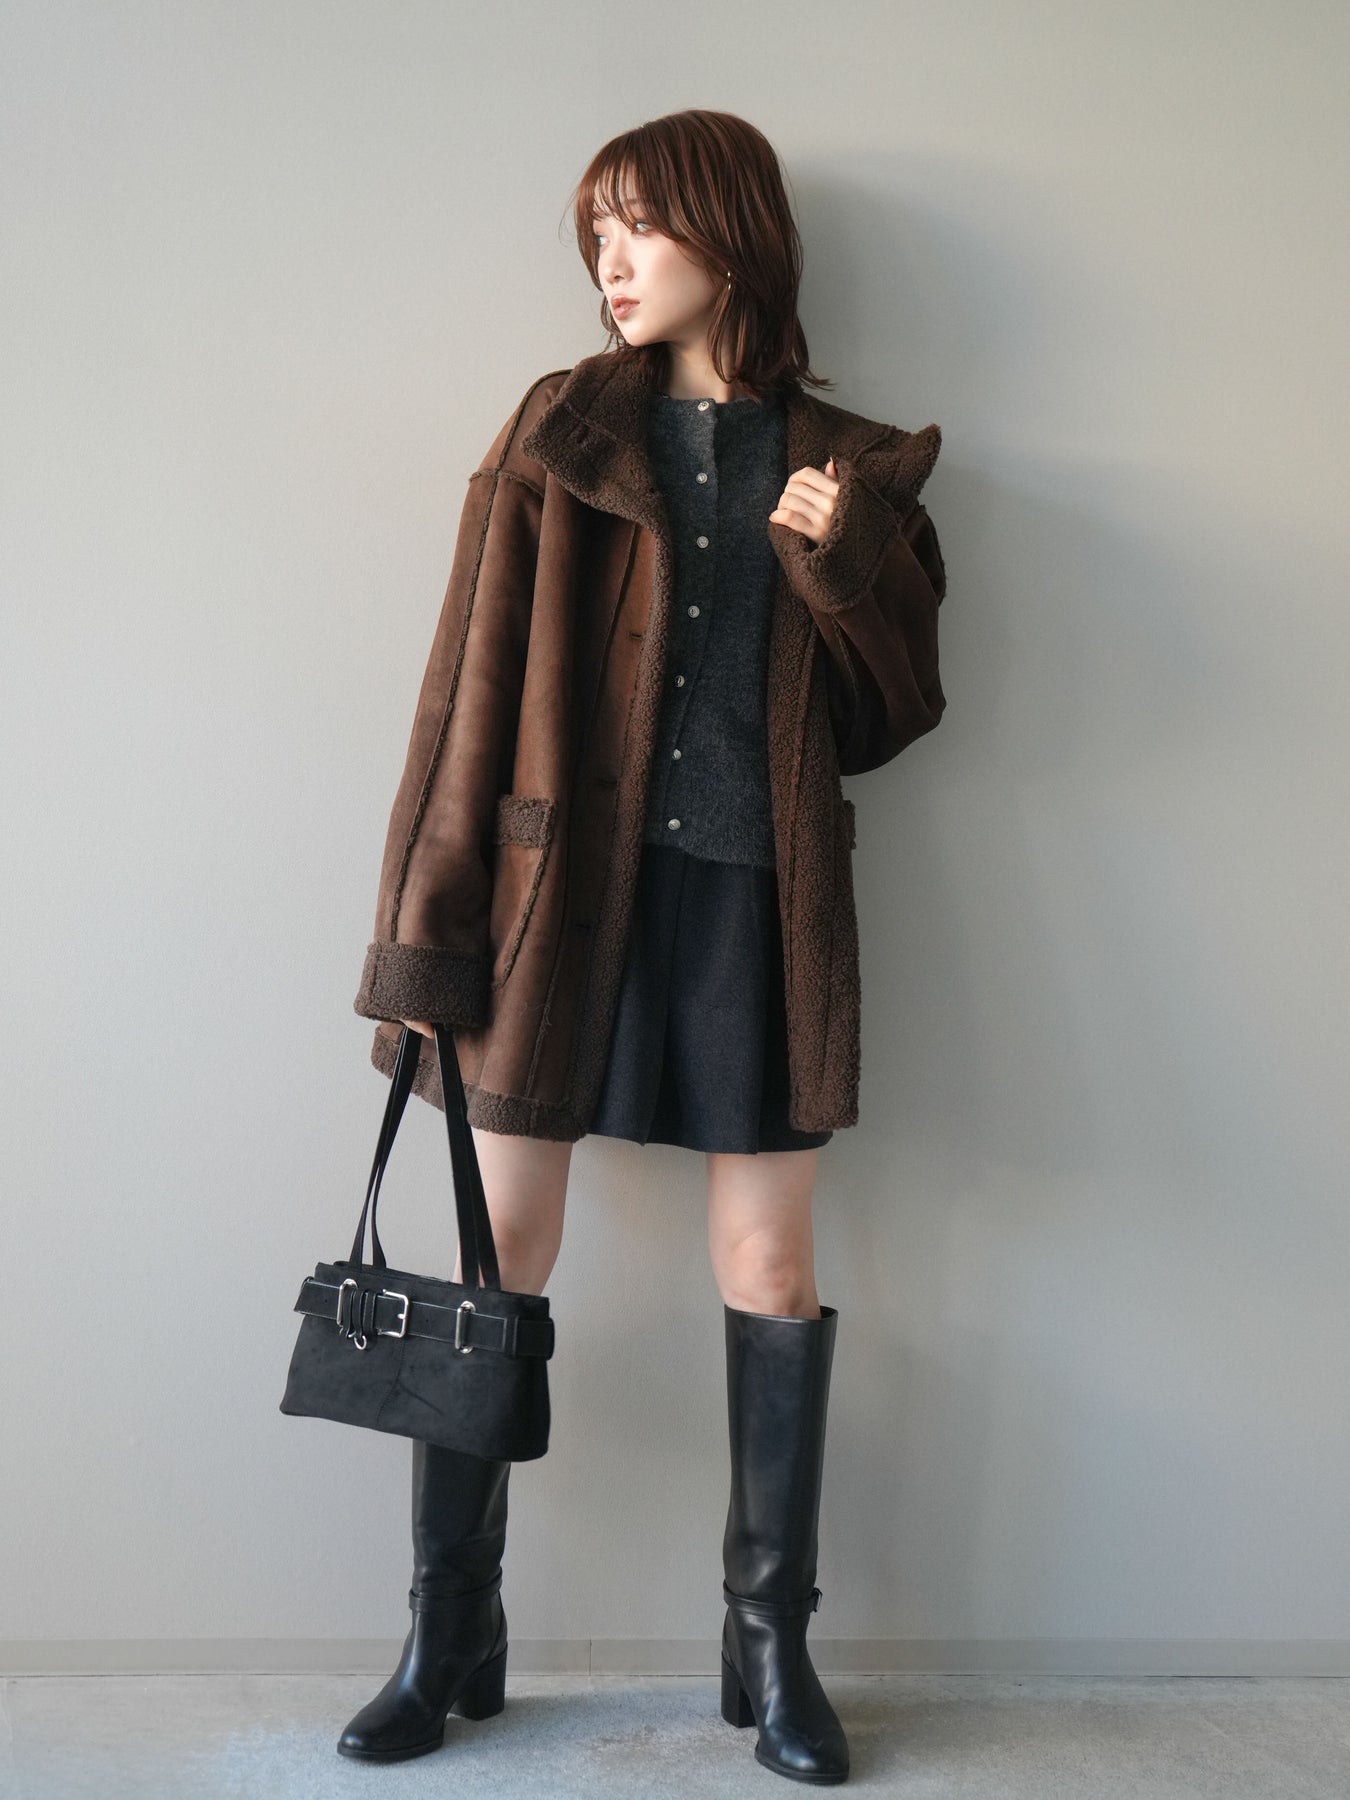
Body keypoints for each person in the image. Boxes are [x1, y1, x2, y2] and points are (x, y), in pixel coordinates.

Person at [337, 108, 949, 1784]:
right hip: (553, 914)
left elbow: (898, 715)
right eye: (594, 235)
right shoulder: (562, 431)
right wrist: (425, 947)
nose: (611, 262)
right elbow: (464, 701)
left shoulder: (851, 463)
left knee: (769, 1272)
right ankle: (448, 1629)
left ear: (730, 232)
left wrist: (838, 561)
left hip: (753, 906)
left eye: (640, 227)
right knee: (499, 1257)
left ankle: (768, 1646)